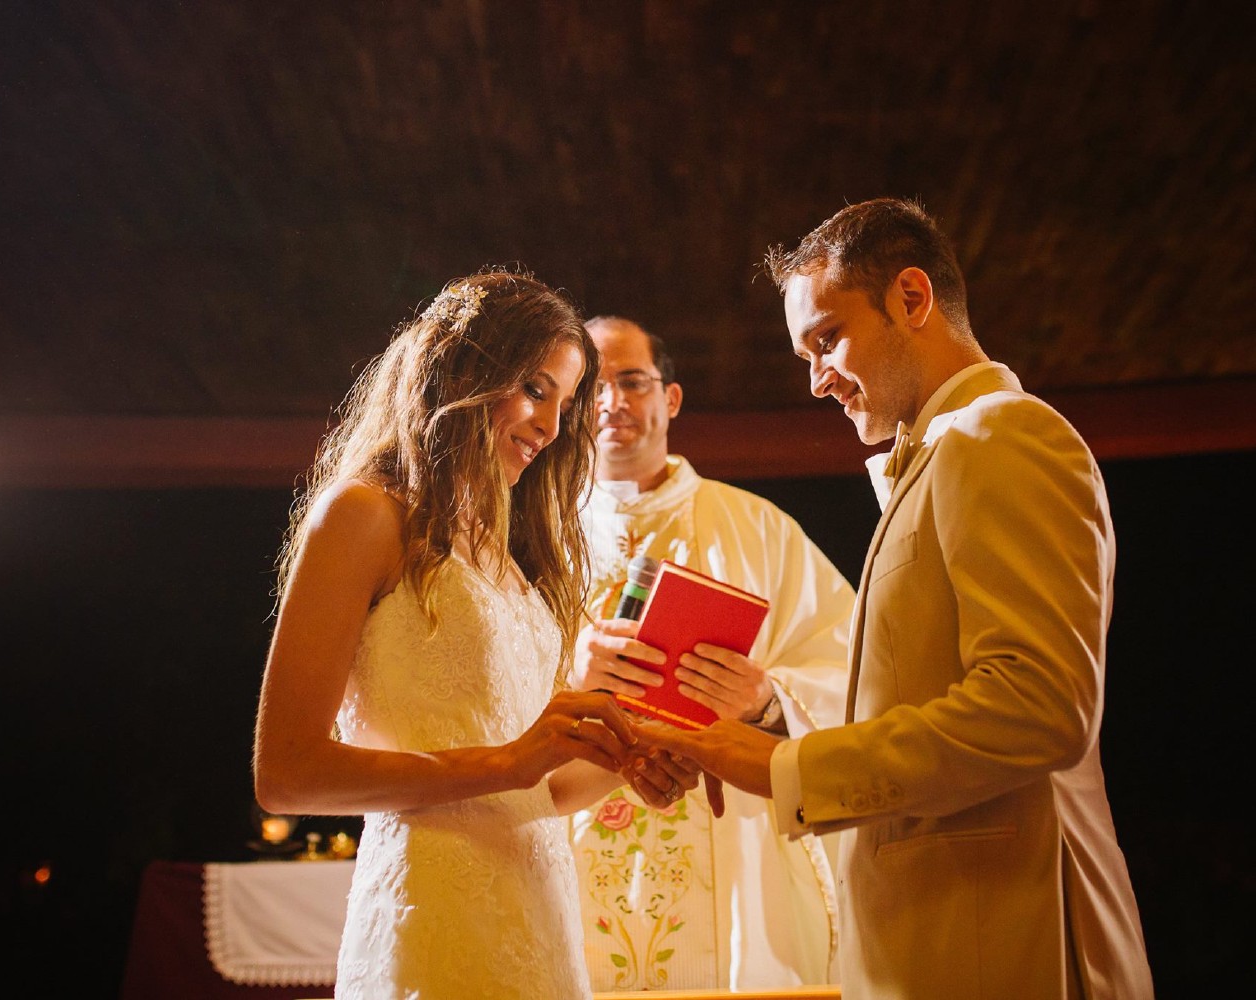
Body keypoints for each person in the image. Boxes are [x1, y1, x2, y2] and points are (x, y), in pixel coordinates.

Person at [640, 197, 1154, 998]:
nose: (816, 380)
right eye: (804, 354)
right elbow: (917, 696)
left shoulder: (1002, 435)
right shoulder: (941, 457)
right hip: (938, 942)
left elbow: (1038, 705)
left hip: (1005, 944)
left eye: (827, 338)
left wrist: (790, 768)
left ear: (911, 299)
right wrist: (768, 727)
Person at [252, 269, 699, 999]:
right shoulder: (364, 516)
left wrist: (636, 756)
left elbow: (534, 789)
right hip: (433, 920)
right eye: (533, 387)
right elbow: (287, 774)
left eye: (563, 401)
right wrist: (508, 763)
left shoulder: (508, 562)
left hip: (540, 926)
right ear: (460, 368)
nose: (551, 427)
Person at [566, 316, 856, 990]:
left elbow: (851, 665)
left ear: (669, 399)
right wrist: (572, 678)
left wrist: (765, 698)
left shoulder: (758, 528)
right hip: (573, 825)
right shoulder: (535, 539)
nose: (612, 404)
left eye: (632, 382)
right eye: (594, 388)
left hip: (729, 834)